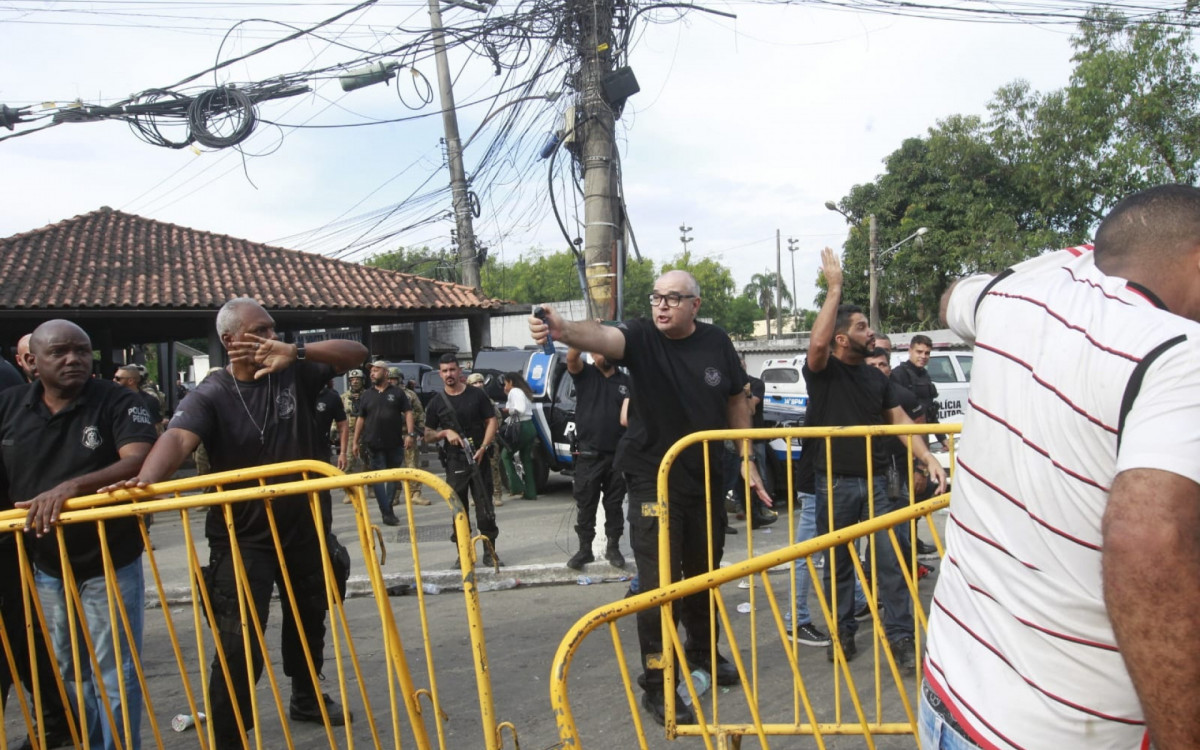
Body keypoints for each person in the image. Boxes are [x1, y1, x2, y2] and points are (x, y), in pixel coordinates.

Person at [924, 185, 1200, 749]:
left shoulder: (1017, 294)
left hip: (949, 697)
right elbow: (1148, 543)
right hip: (1066, 733)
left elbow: (953, 295)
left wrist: (1057, 266)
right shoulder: (1180, 357)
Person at [101, 297, 367, 749]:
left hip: (306, 529)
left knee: (309, 620)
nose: (269, 338)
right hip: (243, 540)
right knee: (238, 641)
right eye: (258, 331)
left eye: (271, 329)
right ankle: (229, 735)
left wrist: (297, 351)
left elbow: (357, 354)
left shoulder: (294, 369)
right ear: (229, 341)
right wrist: (145, 481)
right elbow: (178, 438)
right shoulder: (211, 392)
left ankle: (305, 696)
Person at [529, 270, 772, 727]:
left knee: (703, 575)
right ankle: (658, 684)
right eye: (657, 297)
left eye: (673, 298)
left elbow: (737, 398)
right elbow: (604, 336)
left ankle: (703, 656)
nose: (662, 305)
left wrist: (746, 457)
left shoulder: (717, 341)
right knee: (661, 585)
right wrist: (563, 330)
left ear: (694, 305)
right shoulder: (642, 335)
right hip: (651, 480)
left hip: (704, 478)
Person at [0, 320, 157, 750]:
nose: (74, 359)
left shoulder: (117, 400)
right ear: (32, 361)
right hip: (46, 563)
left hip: (109, 557)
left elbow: (138, 458)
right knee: (69, 667)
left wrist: (72, 487)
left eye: (82, 351)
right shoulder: (9, 406)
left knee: (113, 668)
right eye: (60, 352)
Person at [803, 248, 945, 668]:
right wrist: (834, 290)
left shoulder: (874, 376)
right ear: (842, 338)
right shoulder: (824, 370)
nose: (871, 332)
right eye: (862, 327)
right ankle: (842, 634)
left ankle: (900, 638)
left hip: (878, 482)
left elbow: (898, 418)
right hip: (835, 482)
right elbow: (816, 343)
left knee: (891, 563)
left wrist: (926, 457)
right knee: (840, 565)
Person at [424, 355, 500, 566]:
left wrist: (484, 447)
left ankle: (490, 552)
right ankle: (464, 555)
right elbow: (428, 434)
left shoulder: (477, 395)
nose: (449, 374)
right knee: (459, 510)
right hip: (455, 462)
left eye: (452, 370)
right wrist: (445, 433)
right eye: (444, 371)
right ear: (440, 374)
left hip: (479, 458)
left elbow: (491, 420)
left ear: (460, 371)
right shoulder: (436, 402)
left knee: (485, 508)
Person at [565, 347, 630, 569]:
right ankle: (585, 550)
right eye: (600, 351)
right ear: (592, 355)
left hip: (618, 456)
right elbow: (571, 357)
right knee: (586, 503)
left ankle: (613, 547)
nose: (605, 355)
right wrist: (585, 335)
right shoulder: (585, 375)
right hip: (589, 454)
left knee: (614, 504)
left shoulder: (626, 381)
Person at [352, 360, 415, 526]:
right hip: (373, 443)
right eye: (371, 371)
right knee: (379, 477)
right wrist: (355, 441)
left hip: (394, 442)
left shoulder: (398, 393)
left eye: (376, 370)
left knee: (393, 477)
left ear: (386, 373)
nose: (372, 373)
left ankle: (388, 509)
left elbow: (408, 413)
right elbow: (360, 418)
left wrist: (410, 434)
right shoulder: (367, 394)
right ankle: (386, 512)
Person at [889, 334, 944, 448]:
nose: (923, 356)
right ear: (910, 351)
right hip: (905, 436)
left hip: (923, 434)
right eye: (919, 352)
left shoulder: (925, 375)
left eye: (927, 353)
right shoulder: (898, 374)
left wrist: (942, 439)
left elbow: (930, 412)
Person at [392, 369, 430, 506]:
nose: (391, 381)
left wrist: (419, 431)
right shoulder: (385, 394)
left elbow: (419, 412)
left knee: (412, 464)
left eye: (394, 378)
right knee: (394, 467)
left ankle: (415, 493)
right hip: (391, 435)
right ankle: (394, 495)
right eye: (389, 379)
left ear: (399, 379)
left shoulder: (409, 395)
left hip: (408, 433)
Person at [467, 373, 505, 508]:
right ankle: (476, 495)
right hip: (473, 440)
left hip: (489, 440)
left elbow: (498, 418)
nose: (478, 385)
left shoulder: (488, 401)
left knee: (493, 467)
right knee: (473, 469)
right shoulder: (466, 400)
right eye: (475, 383)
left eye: (480, 382)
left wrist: (493, 430)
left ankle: (497, 494)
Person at [499, 372, 538, 501]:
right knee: (526, 458)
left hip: (520, 427)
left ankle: (516, 486)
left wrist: (507, 410)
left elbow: (518, 409)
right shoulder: (523, 391)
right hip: (530, 426)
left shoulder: (514, 391)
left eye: (505, 383)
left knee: (505, 455)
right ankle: (531, 492)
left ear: (510, 382)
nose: (505, 386)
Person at [115, 365, 165, 435]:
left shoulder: (149, 400)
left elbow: (156, 428)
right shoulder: (113, 400)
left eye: (118, 378)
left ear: (130, 381)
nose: (114, 380)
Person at [340, 369, 366, 474]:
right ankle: (348, 489)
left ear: (363, 381)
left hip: (366, 433)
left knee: (368, 464)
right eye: (352, 379)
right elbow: (338, 415)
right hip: (350, 433)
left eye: (358, 379)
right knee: (348, 463)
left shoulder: (369, 395)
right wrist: (334, 428)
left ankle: (371, 490)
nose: (355, 382)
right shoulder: (344, 397)